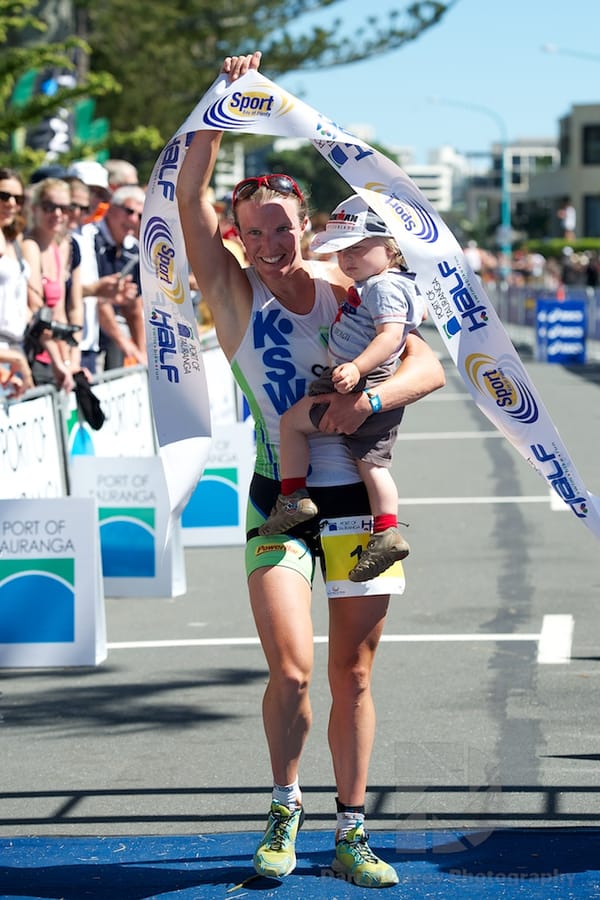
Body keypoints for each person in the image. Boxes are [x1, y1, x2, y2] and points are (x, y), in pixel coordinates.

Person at [177, 51, 445, 889]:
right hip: (281, 503)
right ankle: (285, 803)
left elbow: (429, 367)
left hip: (364, 505)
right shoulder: (232, 295)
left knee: (353, 673)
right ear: (236, 237)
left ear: (306, 224)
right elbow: (187, 197)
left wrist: (369, 395)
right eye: (251, 232)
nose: (267, 244)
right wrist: (221, 104)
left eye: (281, 228)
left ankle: (353, 830)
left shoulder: (350, 282)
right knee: (292, 670)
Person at [259, 194, 424, 583]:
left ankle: (301, 498)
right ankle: (375, 526)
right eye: (342, 252)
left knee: (316, 436)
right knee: (368, 461)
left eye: (359, 249)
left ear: (391, 249)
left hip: (365, 382)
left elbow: (390, 338)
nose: (347, 259)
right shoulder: (372, 284)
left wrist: (355, 368)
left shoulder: (384, 287)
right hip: (350, 377)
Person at [22, 177, 83, 391]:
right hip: (34, 356)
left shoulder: (57, 250)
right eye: (49, 207)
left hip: (54, 358)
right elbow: (37, 310)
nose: (57, 214)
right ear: (35, 209)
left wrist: (70, 362)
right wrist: (59, 362)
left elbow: (61, 315)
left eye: (64, 208)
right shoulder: (29, 246)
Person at [78, 186, 147, 371]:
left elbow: (134, 306)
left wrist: (142, 354)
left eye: (140, 215)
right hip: (86, 335)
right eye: (129, 211)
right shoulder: (88, 238)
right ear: (112, 207)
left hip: (109, 335)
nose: (133, 219)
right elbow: (100, 298)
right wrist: (126, 344)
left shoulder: (133, 248)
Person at [0, 167, 34, 391]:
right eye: (3, 196)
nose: (12, 203)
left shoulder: (14, 241)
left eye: (18, 198)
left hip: (14, 351)